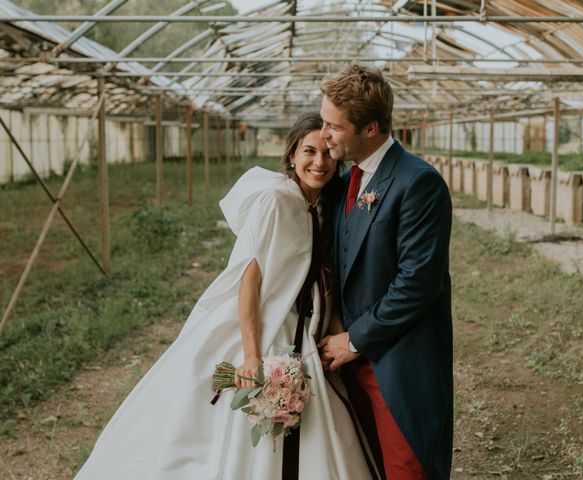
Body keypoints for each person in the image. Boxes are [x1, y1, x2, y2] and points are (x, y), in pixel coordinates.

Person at [75, 112, 377, 480]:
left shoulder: (323, 208)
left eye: (328, 153)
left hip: (301, 332)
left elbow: (322, 278)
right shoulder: (275, 202)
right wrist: (251, 356)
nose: (319, 162)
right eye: (309, 151)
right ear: (292, 156)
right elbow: (247, 282)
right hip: (262, 329)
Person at [317, 65, 454, 480]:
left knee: (406, 469)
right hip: (345, 357)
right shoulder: (342, 181)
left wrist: (354, 340)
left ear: (371, 128)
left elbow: (417, 283)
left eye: (333, 127)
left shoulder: (419, 183)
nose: (324, 135)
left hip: (398, 359)